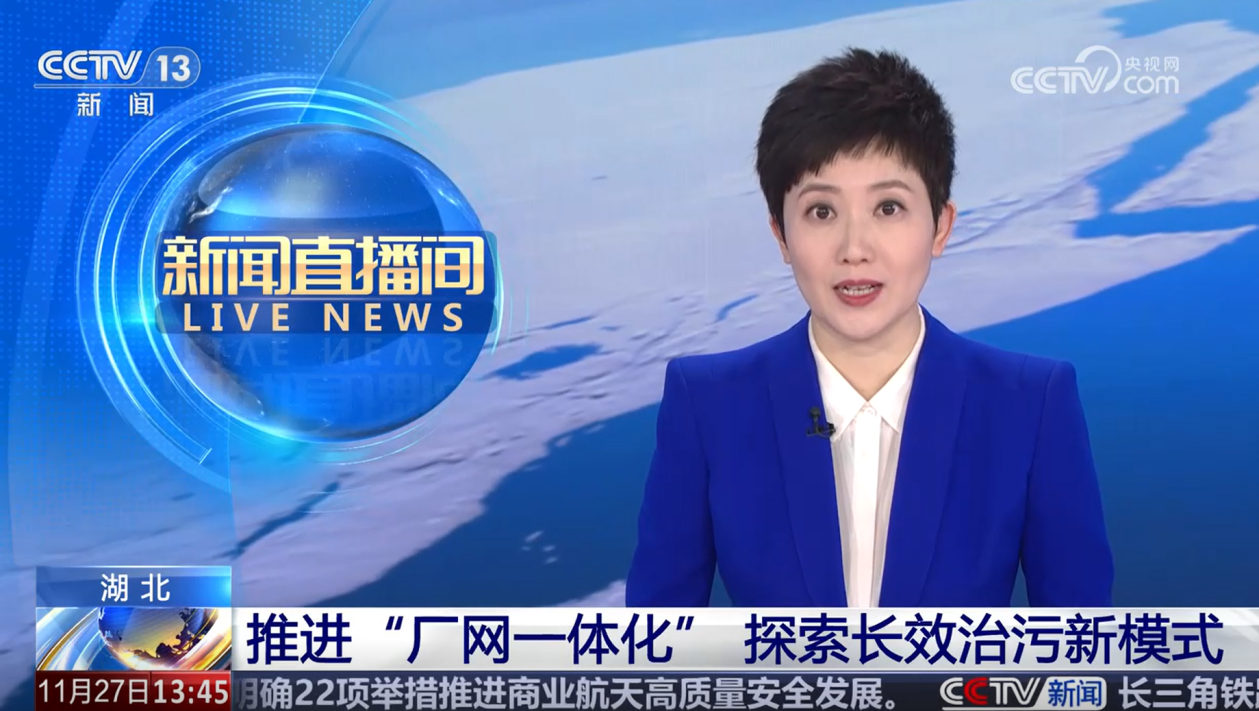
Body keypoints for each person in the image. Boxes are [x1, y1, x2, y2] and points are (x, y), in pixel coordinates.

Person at [626, 48, 1113, 608]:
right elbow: (654, 641)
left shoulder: (1030, 405)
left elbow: (1082, 641)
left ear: (941, 226)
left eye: (888, 208)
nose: (854, 249)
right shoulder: (709, 405)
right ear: (781, 235)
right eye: (821, 212)